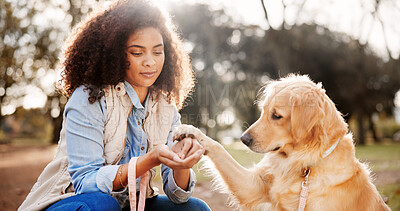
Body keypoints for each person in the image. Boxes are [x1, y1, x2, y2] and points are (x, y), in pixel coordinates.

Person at [18, 0, 211, 210]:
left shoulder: (165, 106)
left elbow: (178, 196)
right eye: (137, 53)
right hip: (73, 202)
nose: (150, 62)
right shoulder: (90, 97)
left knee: (195, 208)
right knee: (104, 204)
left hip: (131, 204)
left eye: (157, 51)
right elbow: (86, 183)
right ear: (115, 54)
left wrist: (182, 165)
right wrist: (148, 160)